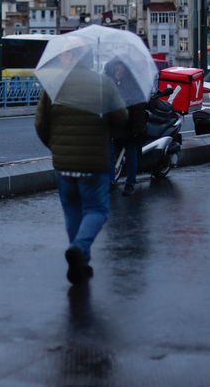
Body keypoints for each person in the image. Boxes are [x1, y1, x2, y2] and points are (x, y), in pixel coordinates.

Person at [35, 50, 128, 286]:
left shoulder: (55, 84)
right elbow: (122, 118)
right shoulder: (103, 84)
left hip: (64, 164)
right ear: (89, 62)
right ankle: (79, 248)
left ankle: (81, 263)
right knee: (97, 210)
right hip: (93, 163)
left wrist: (55, 147)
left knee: (73, 211)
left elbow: (41, 123)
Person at [106, 60, 146, 196]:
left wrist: (136, 129)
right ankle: (110, 181)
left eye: (120, 66)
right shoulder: (111, 82)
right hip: (115, 125)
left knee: (130, 153)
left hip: (129, 126)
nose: (117, 68)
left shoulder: (132, 84)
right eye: (116, 66)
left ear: (125, 68)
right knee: (109, 153)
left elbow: (138, 107)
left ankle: (130, 183)